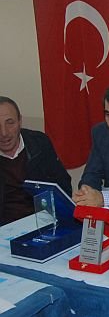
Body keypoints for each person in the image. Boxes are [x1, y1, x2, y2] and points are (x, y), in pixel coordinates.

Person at [0, 96, 71, 225]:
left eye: (10, 123)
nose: (4, 133)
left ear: (20, 121)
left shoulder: (39, 143)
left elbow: (63, 185)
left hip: (44, 221)